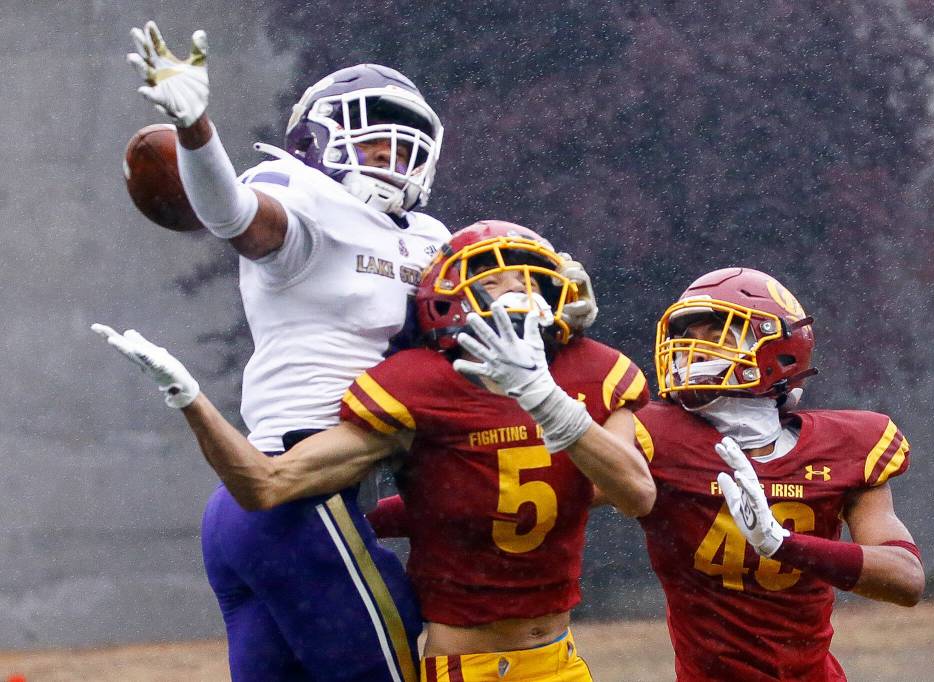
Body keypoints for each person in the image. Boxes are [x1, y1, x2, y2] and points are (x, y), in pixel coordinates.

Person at [124, 21, 592, 682]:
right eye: (373, 139)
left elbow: (486, 309)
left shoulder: (431, 236)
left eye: (404, 147)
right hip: (298, 494)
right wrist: (199, 129)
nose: (391, 157)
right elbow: (234, 217)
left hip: (281, 499)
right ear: (316, 137)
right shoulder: (302, 199)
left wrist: (561, 301)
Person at [94, 221, 654, 682]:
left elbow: (634, 493)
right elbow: (264, 484)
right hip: (472, 664)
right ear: (448, 301)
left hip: (562, 656)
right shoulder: (421, 387)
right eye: (493, 279)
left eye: (526, 279)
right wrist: (190, 400)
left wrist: (540, 395)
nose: (516, 294)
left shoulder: (594, 371)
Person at [633, 267, 925, 681]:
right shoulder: (653, 436)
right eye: (687, 337)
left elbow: (907, 580)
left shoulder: (848, 444)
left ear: (779, 350)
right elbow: (558, 483)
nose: (693, 352)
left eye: (715, 335)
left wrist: (782, 544)